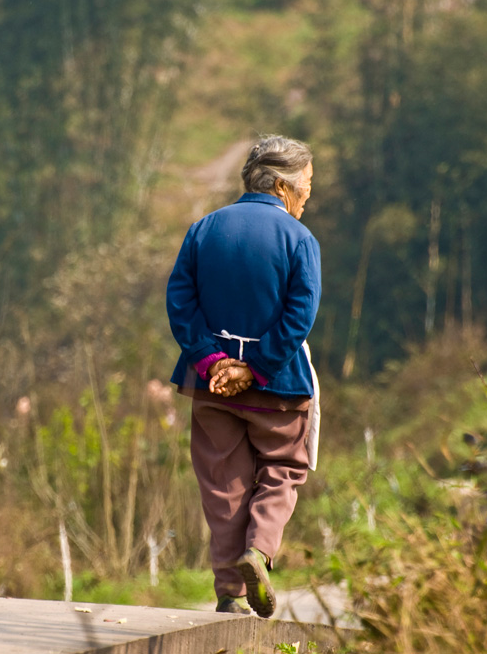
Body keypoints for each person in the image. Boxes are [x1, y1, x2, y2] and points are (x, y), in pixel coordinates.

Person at [166, 135, 321, 618]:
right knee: (282, 471)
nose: (309, 196)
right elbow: (300, 314)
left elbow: (180, 302)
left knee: (224, 483)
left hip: (210, 387)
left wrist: (213, 362)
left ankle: (230, 593)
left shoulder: (204, 229)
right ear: (281, 185)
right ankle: (259, 552)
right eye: (308, 185)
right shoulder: (300, 240)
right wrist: (255, 367)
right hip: (279, 387)